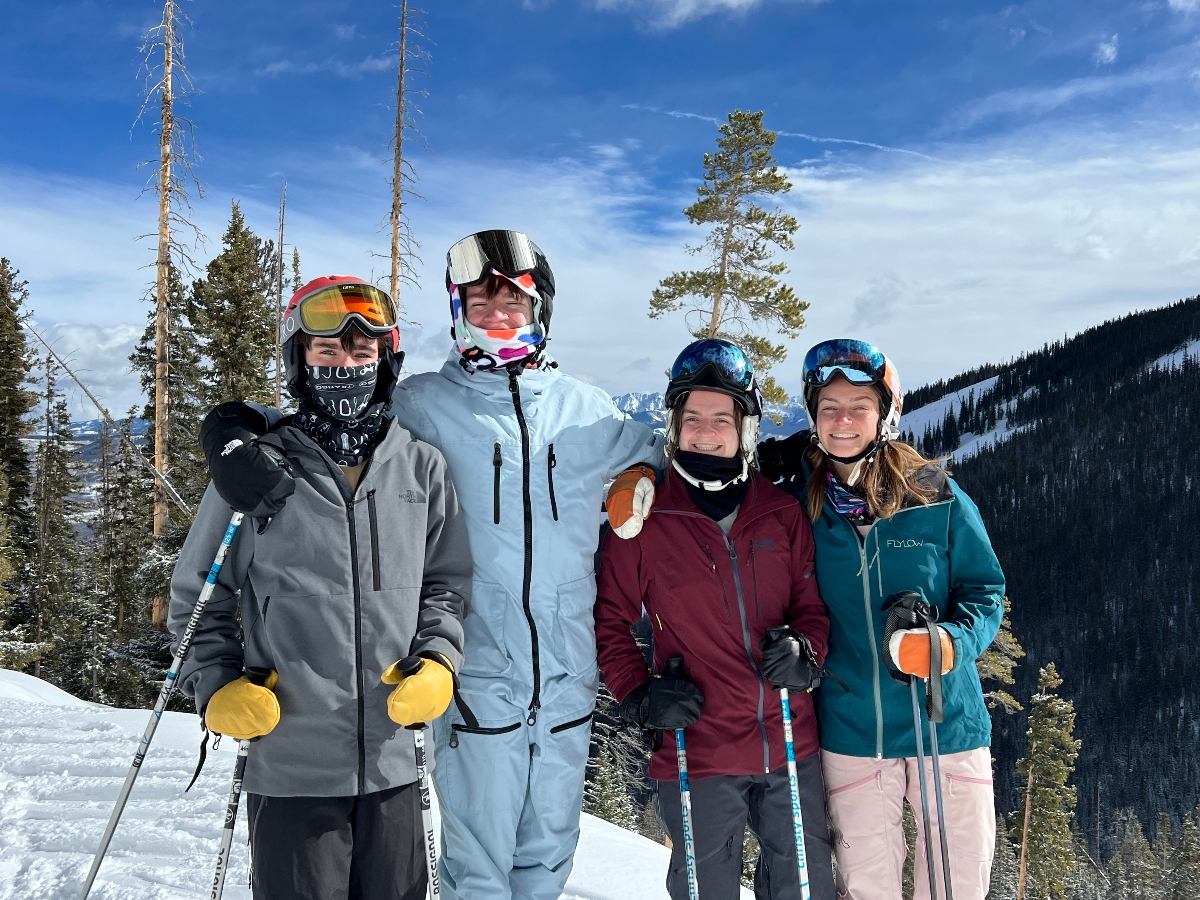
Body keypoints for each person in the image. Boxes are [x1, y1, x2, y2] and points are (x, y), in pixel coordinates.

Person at [195, 231, 666, 900]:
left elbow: (684, 451)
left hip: (565, 681)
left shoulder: (588, 412)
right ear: (457, 311)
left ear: (541, 309)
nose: (496, 315)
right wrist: (231, 427)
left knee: (549, 860)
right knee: (476, 869)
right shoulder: (423, 406)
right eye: (479, 302)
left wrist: (646, 467)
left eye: (513, 301)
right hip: (473, 678)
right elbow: (325, 422)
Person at [170, 276, 472, 900]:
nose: (346, 367)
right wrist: (216, 683)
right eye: (326, 352)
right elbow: (200, 591)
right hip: (291, 758)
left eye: (362, 354)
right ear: (299, 360)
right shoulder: (259, 471)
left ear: (386, 361)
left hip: (396, 754)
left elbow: (445, 582)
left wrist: (441, 659)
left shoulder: (421, 467)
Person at [757, 338, 1006, 900]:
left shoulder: (935, 495)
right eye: (828, 408)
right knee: (867, 887)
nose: (843, 420)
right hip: (852, 728)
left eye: (858, 406)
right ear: (813, 417)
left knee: (958, 886)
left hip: (945, 723)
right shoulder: (798, 502)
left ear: (886, 413)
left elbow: (985, 590)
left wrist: (948, 642)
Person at [595, 339, 835, 900]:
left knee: (806, 888)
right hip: (697, 749)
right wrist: (639, 695)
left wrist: (808, 653)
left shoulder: (781, 512)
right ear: (674, 426)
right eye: (693, 418)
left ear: (745, 427)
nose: (706, 432)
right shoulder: (645, 521)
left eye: (721, 419)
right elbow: (611, 619)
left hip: (789, 744)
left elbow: (811, 608)